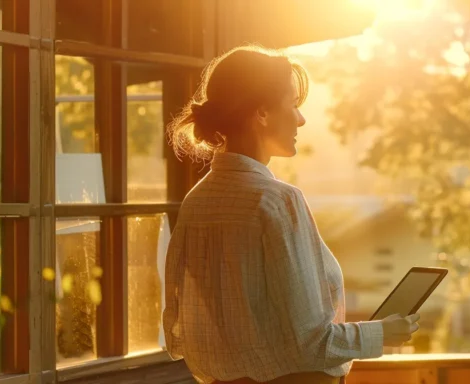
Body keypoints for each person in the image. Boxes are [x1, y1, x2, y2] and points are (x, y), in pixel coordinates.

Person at [162, 45, 421, 384]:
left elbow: (181, 336)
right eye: (293, 105)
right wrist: (381, 333)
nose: (301, 119)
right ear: (262, 113)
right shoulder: (276, 201)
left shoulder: (196, 203)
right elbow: (309, 343)